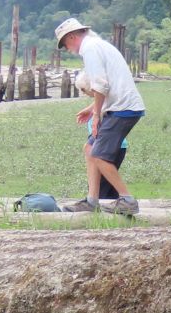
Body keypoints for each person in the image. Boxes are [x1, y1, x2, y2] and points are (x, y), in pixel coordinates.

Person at [54, 17, 145, 216]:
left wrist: (96, 114)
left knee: (99, 155)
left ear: (73, 36)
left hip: (123, 109)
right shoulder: (98, 45)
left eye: (66, 44)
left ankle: (127, 200)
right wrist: (91, 108)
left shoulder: (90, 48)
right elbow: (110, 85)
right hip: (118, 105)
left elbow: (100, 84)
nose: (68, 49)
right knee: (90, 148)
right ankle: (92, 200)